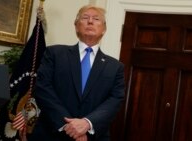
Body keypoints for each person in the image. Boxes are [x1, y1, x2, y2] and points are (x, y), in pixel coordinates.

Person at [28, 4, 125, 141]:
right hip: (51, 134)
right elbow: (42, 89)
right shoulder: (54, 54)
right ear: (76, 26)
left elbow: (115, 100)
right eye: (85, 17)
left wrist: (87, 123)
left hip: (92, 137)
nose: (90, 21)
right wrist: (69, 127)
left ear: (104, 29)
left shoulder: (116, 67)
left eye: (96, 19)